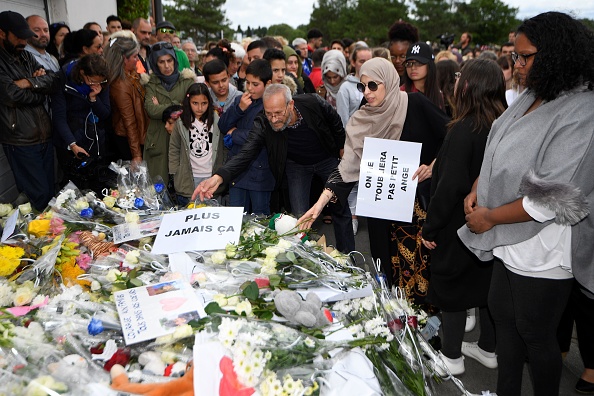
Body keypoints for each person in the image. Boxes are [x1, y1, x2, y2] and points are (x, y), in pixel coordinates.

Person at [458, 12, 594, 396]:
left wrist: (488, 217)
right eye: (514, 56)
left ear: (556, 56)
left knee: (536, 335)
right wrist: (477, 186)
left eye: (525, 56)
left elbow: (554, 196)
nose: (516, 65)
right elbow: (500, 147)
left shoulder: (582, 110)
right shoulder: (533, 95)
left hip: (544, 249)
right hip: (508, 236)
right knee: (504, 323)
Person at [298, 58, 448, 302]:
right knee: (385, 271)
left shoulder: (416, 104)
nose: (366, 93)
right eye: (362, 86)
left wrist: (435, 165)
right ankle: (392, 320)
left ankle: (421, 328)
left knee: (419, 274)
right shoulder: (362, 117)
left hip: (417, 211)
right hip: (381, 211)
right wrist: (319, 204)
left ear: (389, 82)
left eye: (373, 86)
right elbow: (347, 167)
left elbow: (452, 135)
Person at [193, 84, 355, 253]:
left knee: (340, 207)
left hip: (326, 158)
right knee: (300, 217)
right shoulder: (263, 122)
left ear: (290, 105)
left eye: (278, 113)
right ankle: (307, 260)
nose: (274, 119)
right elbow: (246, 152)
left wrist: (341, 146)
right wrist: (219, 177)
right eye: (269, 113)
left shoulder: (312, 102)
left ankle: (348, 255)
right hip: (296, 165)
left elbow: (335, 121)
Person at [421, 59, 506, 375]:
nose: (455, 81)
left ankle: (452, 358)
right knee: (485, 288)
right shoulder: (503, 124)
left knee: (451, 287)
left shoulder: (464, 128)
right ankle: (488, 348)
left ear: (468, 86)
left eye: (460, 77)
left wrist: (431, 226)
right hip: (493, 221)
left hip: (460, 223)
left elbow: (450, 186)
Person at [0, 10, 60, 210]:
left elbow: (54, 81)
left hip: (42, 134)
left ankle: (47, 235)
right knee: (38, 195)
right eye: (18, 36)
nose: (24, 41)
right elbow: (11, 95)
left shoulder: (25, 56)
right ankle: (38, 238)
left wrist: (27, 82)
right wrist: (38, 86)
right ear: (2, 33)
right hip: (20, 139)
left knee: (48, 192)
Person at [218, 60, 274, 214]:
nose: (250, 88)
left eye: (255, 84)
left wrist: (234, 133)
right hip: (237, 172)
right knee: (236, 219)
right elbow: (223, 126)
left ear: (268, 84)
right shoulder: (240, 100)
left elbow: (261, 137)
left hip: (261, 172)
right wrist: (239, 109)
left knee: (260, 219)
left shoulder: (271, 105)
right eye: (248, 83)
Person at [51, 54, 111, 192]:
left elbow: (105, 114)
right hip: (69, 141)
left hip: (95, 139)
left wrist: (94, 99)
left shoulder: (102, 82)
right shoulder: (63, 79)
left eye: (100, 82)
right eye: (91, 81)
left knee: (96, 187)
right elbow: (59, 117)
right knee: (73, 189)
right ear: (82, 73)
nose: (96, 85)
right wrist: (72, 144)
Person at [143, 42, 196, 185]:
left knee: (183, 185)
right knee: (157, 187)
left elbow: (192, 109)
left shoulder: (187, 82)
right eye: (161, 62)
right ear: (155, 63)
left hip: (183, 139)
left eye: (169, 60)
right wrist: (178, 105)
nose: (167, 66)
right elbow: (151, 110)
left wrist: (163, 107)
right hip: (157, 140)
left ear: (175, 60)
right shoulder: (150, 83)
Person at [169, 83, 223, 206]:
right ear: (188, 102)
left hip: (211, 175)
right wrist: (175, 173)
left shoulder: (216, 120)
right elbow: (174, 148)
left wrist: (221, 169)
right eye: (195, 103)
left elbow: (222, 148)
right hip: (188, 177)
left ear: (209, 102)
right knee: (190, 213)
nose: (200, 108)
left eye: (204, 103)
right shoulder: (181, 123)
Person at [103, 31, 148, 162]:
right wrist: (136, 155)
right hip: (129, 141)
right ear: (124, 58)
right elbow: (129, 122)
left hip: (137, 137)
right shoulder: (120, 86)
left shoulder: (132, 75)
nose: (138, 60)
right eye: (135, 57)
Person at [401, 42, 444, 111]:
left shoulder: (437, 93)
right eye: (409, 64)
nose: (413, 68)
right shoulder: (401, 94)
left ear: (430, 66)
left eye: (418, 63)